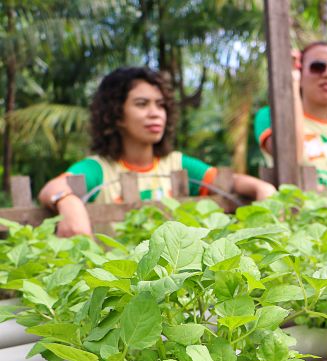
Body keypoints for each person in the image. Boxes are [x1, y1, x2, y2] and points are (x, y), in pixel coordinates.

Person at [39, 67, 275, 238]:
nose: (155, 113)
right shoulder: (99, 169)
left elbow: (227, 182)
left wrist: (261, 188)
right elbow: (52, 188)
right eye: (142, 104)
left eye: (160, 105)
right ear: (116, 114)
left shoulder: (176, 164)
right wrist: (68, 202)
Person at [253, 42, 327, 190]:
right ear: (300, 72)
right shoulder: (269, 116)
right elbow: (291, 157)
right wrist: (292, 80)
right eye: (317, 67)